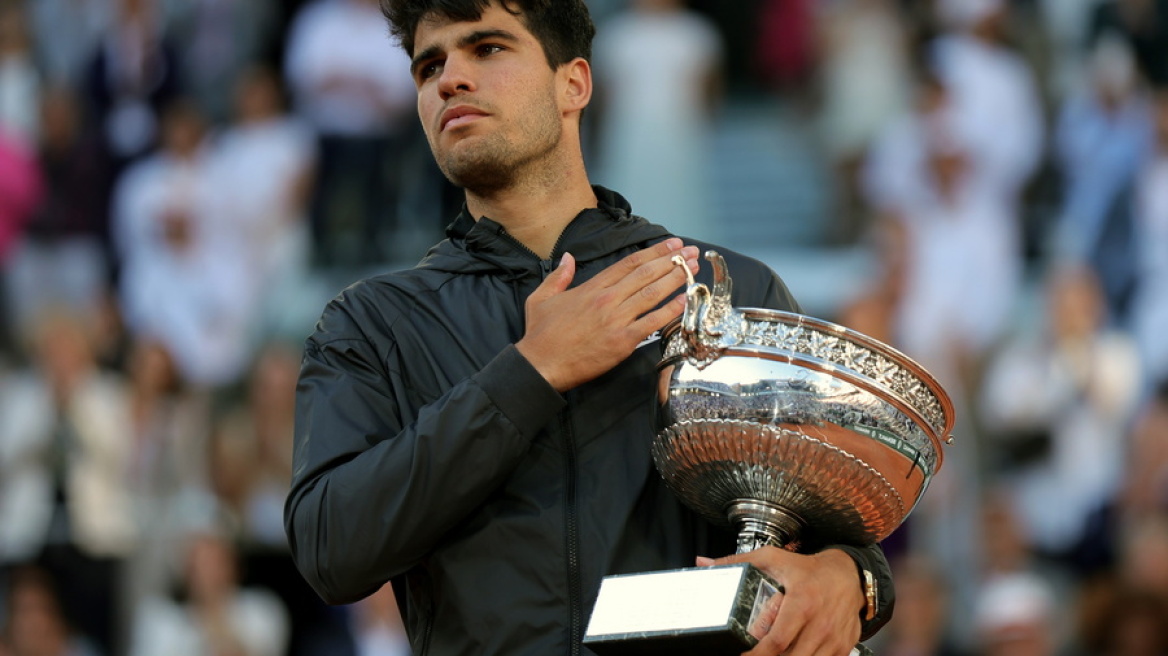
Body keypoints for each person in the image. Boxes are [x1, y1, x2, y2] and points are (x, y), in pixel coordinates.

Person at [284, 2, 896, 655]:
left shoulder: (728, 289)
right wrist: (531, 371)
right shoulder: (373, 323)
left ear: (574, 83)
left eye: (486, 48)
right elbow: (331, 549)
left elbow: (832, 522)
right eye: (429, 64)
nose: (449, 79)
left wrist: (852, 578)